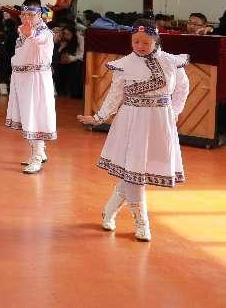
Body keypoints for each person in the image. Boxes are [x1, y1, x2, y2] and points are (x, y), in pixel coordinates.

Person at [77, 20, 190, 242]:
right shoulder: (124, 65)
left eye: (145, 42)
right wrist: (98, 117)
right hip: (132, 122)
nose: (140, 46)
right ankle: (142, 222)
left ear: (156, 40)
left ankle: (109, 210)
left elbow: (182, 88)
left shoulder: (171, 62)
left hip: (159, 122)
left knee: (137, 173)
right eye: (136, 41)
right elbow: (115, 95)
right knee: (135, 174)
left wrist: (174, 112)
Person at [5, 6, 56, 174]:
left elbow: (38, 38)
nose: (26, 17)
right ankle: (40, 151)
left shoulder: (43, 32)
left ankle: (37, 157)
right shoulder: (22, 31)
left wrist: (29, 33)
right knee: (28, 116)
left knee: (35, 116)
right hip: (22, 79)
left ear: (39, 15)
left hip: (36, 79)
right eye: (24, 14)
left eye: (31, 14)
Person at [53, 25, 84, 98]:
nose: (66, 36)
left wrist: (71, 58)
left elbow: (82, 55)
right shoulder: (60, 39)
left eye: (68, 34)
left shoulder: (79, 39)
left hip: (74, 61)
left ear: (73, 34)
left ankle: (73, 94)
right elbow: (54, 56)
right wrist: (61, 48)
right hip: (61, 62)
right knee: (57, 67)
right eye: (64, 34)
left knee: (76, 66)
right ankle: (61, 92)